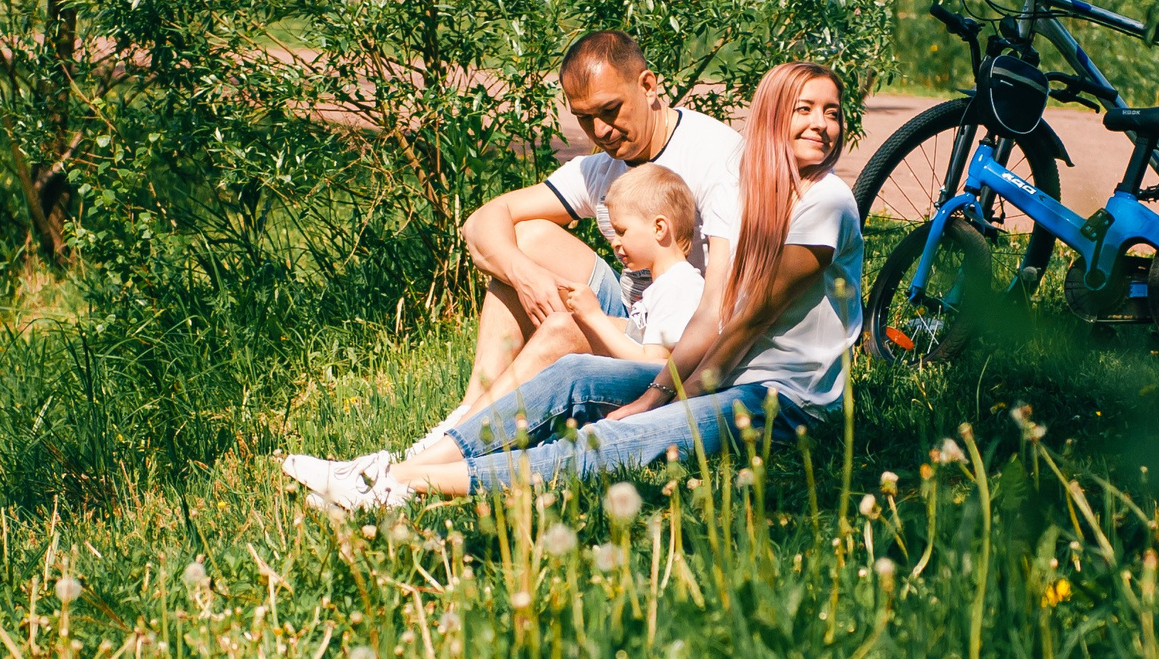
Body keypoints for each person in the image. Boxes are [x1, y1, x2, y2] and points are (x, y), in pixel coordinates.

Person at [286, 62, 859, 506]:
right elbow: (714, 315)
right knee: (573, 373)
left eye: (832, 112)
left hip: (784, 400)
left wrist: (654, 400)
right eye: (805, 110)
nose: (822, 125)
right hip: (724, 368)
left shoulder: (826, 202)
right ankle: (394, 465)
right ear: (770, 118)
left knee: (621, 440)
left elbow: (746, 319)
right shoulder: (755, 191)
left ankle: (403, 487)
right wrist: (657, 389)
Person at [285, 164, 705, 500]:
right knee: (559, 319)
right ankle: (418, 459)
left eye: (622, 232)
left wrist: (594, 318)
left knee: (569, 348)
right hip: (642, 374)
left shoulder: (681, 286)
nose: (614, 243)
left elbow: (656, 366)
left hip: (659, 393)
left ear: (660, 228)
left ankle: (399, 473)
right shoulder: (662, 284)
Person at [420, 29, 742, 446]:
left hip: (683, 339)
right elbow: (483, 222)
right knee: (525, 239)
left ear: (648, 85)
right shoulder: (602, 168)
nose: (601, 131)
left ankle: (461, 444)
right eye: (585, 118)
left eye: (610, 110)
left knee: (565, 329)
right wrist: (524, 275)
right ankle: (468, 411)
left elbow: (728, 299)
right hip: (639, 317)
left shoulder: (713, 155)